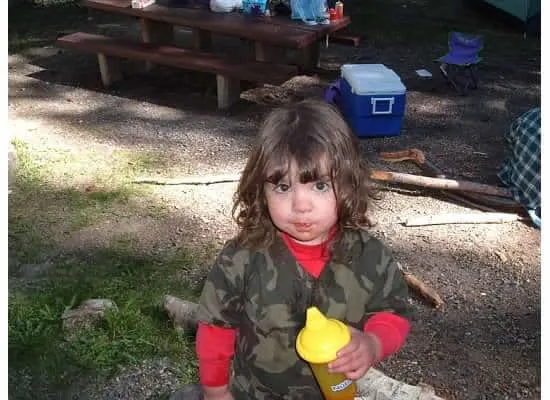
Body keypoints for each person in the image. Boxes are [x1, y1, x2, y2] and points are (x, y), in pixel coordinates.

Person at [191, 99, 413, 400]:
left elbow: (392, 313)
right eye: (282, 187)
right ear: (261, 189)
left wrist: (373, 343)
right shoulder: (241, 257)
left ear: (347, 183)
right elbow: (215, 329)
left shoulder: (370, 256)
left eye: (319, 186)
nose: (300, 205)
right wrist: (216, 392)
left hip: (333, 393)